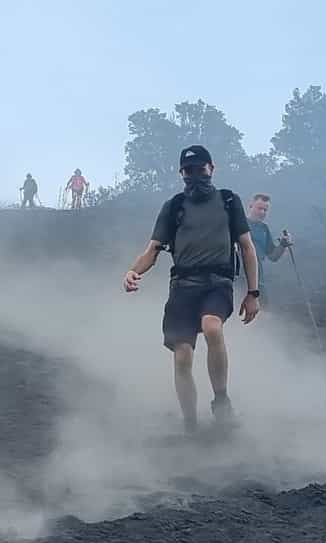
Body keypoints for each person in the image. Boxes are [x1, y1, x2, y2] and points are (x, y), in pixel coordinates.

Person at [122, 144, 261, 432]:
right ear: (181, 173)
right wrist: (133, 272)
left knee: (212, 327)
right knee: (182, 355)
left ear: (212, 168)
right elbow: (153, 249)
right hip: (182, 287)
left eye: (201, 168)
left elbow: (246, 248)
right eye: (189, 170)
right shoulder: (174, 206)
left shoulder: (228, 201)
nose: (195, 175)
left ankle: (221, 402)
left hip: (217, 282)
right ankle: (190, 425)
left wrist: (253, 293)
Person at [245, 192, 292, 299]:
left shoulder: (264, 229)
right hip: (239, 274)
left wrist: (283, 245)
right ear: (251, 206)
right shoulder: (239, 222)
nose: (262, 212)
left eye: (265, 210)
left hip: (258, 276)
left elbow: (272, 256)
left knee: (262, 308)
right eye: (259, 208)